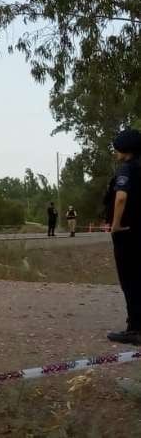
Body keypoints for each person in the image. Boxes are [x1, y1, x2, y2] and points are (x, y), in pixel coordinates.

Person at [105, 129, 141, 345]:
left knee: (130, 280)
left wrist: (116, 224)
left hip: (128, 233)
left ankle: (135, 328)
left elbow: (120, 198)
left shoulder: (126, 169)